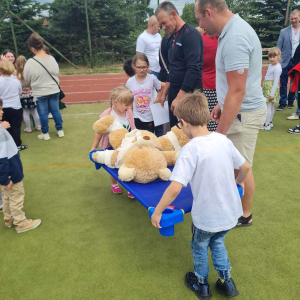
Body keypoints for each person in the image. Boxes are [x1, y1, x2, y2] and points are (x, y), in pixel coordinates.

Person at [151, 91, 250, 299]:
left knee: (199, 247)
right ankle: (226, 282)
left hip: (206, 217)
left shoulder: (190, 149)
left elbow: (175, 188)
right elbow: (246, 167)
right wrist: (239, 182)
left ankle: (201, 284)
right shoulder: (223, 140)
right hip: (229, 214)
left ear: (184, 122)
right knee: (219, 243)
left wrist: (158, 212)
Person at [195, 0, 266, 227]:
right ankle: (239, 210)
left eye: (199, 19)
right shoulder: (230, 32)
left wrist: (220, 135)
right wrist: (221, 105)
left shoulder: (235, 37)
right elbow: (232, 87)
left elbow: (237, 90)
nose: (201, 26)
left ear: (209, 12)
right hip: (238, 110)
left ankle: (244, 215)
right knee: (237, 165)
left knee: (242, 165)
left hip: (244, 113)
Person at [155, 1, 203, 127]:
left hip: (189, 97)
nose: (163, 27)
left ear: (173, 14)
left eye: (164, 23)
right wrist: (165, 91)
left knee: (190, 137)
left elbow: (193, 69)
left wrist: (179, 97)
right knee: (175, 136)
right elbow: (173, 68)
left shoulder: (190, 35)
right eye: (161, 25)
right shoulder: (171, 37)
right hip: (174, 95)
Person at [0, 98, 41, 233]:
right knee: (16, 197)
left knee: (7, 196)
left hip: (6, 174)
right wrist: (5, 178)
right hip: (11, 173)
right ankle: (20, 223)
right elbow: (1, 158)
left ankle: (9, 219)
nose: (2, 112)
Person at [90, 86, 136, 199]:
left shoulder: (129, 112)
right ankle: (114, 183)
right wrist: (94, 146)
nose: (129, 107)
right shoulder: (108, 114)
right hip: (110, 145)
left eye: (130, 104)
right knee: (113, 165)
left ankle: (130, 187)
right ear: (116, 102)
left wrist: (135, 138)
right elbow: (99, 131)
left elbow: (133, 128)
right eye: (126, 104)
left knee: (127, 163)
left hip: (125, 144)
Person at [24, 33, 64, 141]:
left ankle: (45, 133)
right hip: (53, 89)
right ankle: (60, 130)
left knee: (43, 113)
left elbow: (27, 78)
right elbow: (56, 72)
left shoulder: (30, 62)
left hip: (40, 92)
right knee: (55, 111)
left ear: (32, 49)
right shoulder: (51, 58)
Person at [126, 53, 162, 133]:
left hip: (149, 116)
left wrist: (158, 97)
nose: (141, 70)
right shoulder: (130, 82)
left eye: (144, 67)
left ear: (148, 65)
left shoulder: (152, 78)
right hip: (136, 116)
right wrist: (130, 114)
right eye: (139, 67)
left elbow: (160, 88)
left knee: (148, 138)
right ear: (133, 66)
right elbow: (129, 99)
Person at [0, 60, 28, 151]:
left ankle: (8, 145)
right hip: (16, 106)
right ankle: (17, 144)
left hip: (3, 107)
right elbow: (19, 92)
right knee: (16, 126)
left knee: (5, 126)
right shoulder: (16, 81)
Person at [277, 9, 300, 111]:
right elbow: (278, 47)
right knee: (283, 83)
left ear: (299, 18)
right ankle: (282, 102)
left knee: (294, 82)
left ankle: (291, 101)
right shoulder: (283, 31)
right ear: (289, 19)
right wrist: (278, 61)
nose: (294, 20)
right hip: (285, 61)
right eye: (292, 19)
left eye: (296, 18)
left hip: (297, 62)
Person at [198, 27, 218, 131]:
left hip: (204, 84)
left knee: (205, 121)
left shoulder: (200, 39)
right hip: (220, 86)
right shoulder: (221, 39)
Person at [15, 55, 41, 133]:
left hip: (22, 95)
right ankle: (38, 126)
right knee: (34, 111)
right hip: (31, 94)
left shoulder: (16, 74)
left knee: (25, 112)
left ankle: (28, 128)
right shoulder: (29, 72)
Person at [261, 48, 282, 130]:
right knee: (270, 105)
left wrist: (272, 93)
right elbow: (267, 76)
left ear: (278, 56)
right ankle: (269, 122)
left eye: (274, 57)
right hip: (267, 87)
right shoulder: (270, 65)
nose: (272, 59)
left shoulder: (277, 67)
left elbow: (276, 81)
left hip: (271, 88)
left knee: (268, 106)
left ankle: (266, 124)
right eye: (270, 57)